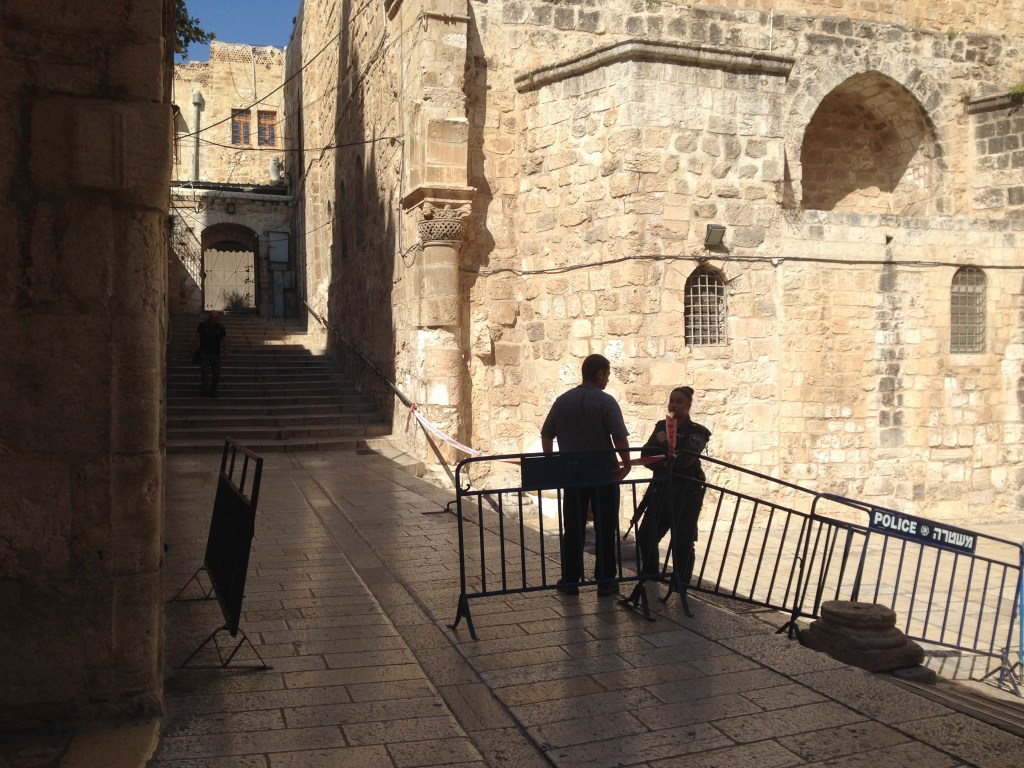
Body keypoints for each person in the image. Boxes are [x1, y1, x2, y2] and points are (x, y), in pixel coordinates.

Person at [541, 354, 632, 596]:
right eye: (607, 375)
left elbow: (547, 433)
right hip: (604, 473)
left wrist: (551, 462)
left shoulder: (562, 401)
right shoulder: (606, 402)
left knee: (573, 528)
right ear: (600, 374)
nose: (608, 380)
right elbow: (619, 436)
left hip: (573, 473)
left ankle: (570, 580)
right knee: (606, 527)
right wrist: (626, 464)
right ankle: (605, 581)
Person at [635, 386, 711, 597]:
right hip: (662, 490)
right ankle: (651, 575)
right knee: (646, 534)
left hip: (686, 493)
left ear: (688, 405)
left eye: (679, 401)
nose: (674, 405)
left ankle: (681, 584)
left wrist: (663, 444)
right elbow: (646, 455)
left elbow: (684, 462)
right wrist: (666, 461)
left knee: (683, 540)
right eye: (672, 400)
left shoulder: (697, 432)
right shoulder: (662, 425)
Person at [192, 310, 228, 397]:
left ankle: (213, 391)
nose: (215, 320)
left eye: (217, 318)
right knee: (205, 372)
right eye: (214, 318)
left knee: (216, 374)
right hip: (205, 352)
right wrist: (193, 348)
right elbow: (196, 337)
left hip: (216, 353)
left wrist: (226, 350)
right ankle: (205, 391)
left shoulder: (221, 327)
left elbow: (224, 339)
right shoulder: (203, 325)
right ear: (210, 317)